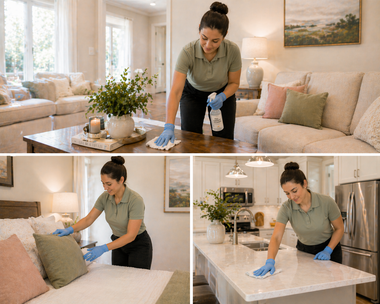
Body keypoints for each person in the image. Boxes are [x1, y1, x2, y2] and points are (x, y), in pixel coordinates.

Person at [155, 1, 242, 147]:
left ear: (224, 36)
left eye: (215, 41)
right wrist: (168, 126)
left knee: (224, 140)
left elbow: (234, 83)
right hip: (192, 94)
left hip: (222, 93)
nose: (208, 45)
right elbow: (176, 91)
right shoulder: (187, 52)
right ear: (199, 30)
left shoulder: (232, 50)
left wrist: (222, 96)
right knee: (190, 137)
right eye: (204, 38)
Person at [53, 156, 153, 269]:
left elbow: (131, 236)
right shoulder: (105, 197)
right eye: (103, 183)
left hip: (138, 245)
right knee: (118, 278)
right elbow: (88, 219)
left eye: (109, 184)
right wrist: (70, 229)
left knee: (137, 281)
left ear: (121, 180)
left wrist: (103, 248)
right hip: (118, 243)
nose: (105, 188)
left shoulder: (135, 200)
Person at [254, 162, 344, 277]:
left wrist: (328, 250)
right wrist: (270, 260)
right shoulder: (286, 208)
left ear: (304, 183)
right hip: (304, 251)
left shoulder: (326, 202)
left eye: (294, 190)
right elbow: (276, 237)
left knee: (332, 288)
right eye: (287, 193)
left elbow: (339, 228)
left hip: (330, 248)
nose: (292, 197)